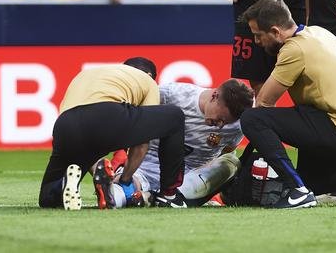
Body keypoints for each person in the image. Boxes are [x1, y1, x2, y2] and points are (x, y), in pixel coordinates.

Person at [240, 0, 336, 209]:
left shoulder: (294, 49)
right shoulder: (319, 33)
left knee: (252, 118)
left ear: (276, 32)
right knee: (314, 182)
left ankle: (297, 190)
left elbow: (264, 103)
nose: (257, 42)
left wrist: (245, 161)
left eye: (258, 35)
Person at [38, 58, 187, 210]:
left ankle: (60, 186)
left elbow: (84, 135)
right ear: (149, 75)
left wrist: (98, 173)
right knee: (174, 116)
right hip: (108, 116)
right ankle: (169, 195)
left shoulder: (89, 74)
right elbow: (142, 143)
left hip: (65, 126)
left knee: (47, 199)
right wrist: (125, 179)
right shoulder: (147, 81)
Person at [106, 79, 253, 208]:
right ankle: (151, 197)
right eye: (220, 118)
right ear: (214, 96)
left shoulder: (238, 126)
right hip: (148, 167)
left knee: (231, 162)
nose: (220, 126)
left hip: (191, 178)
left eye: (226, 122)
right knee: (115, 197)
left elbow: (227, 150)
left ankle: (164, 197)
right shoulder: (170, 94)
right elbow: (131, 117)